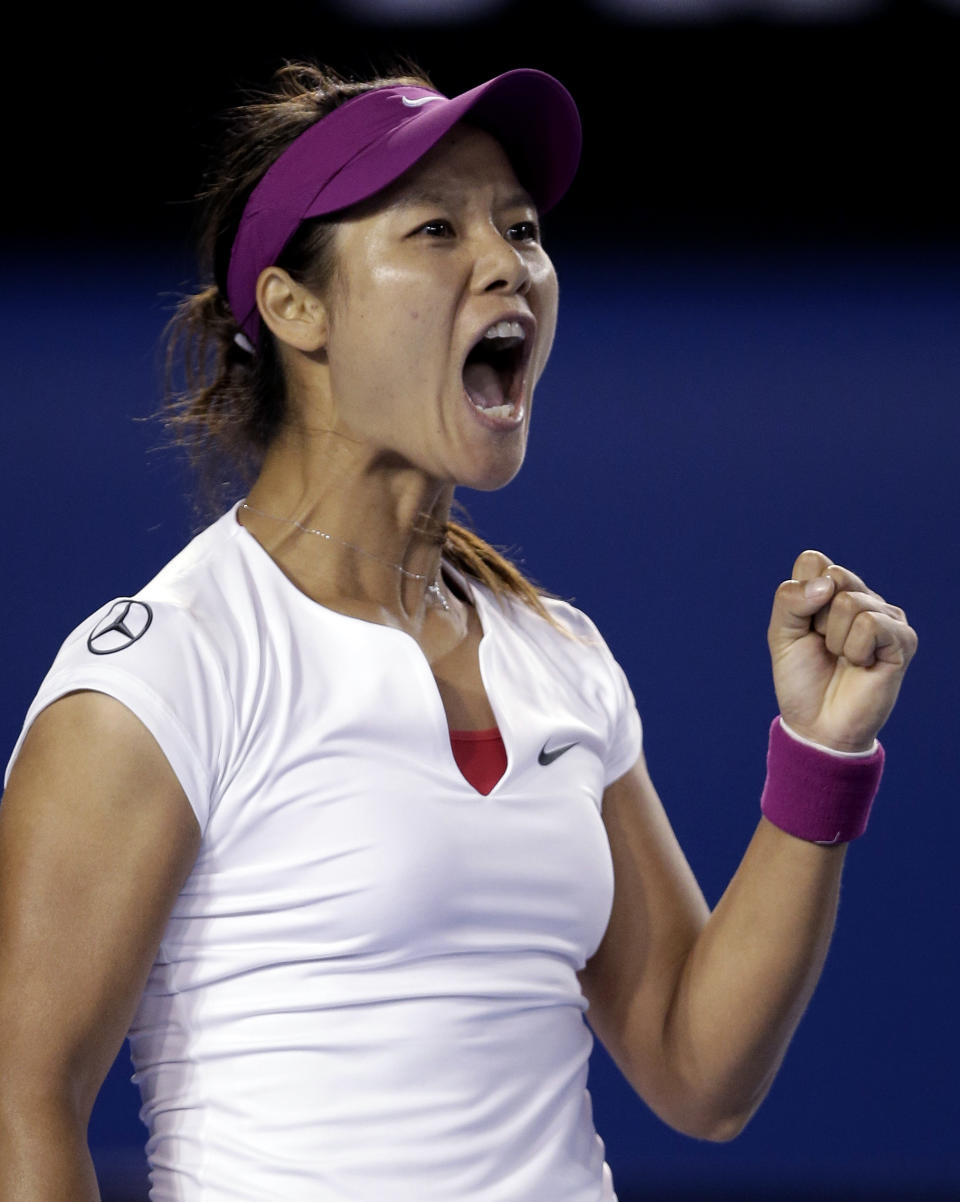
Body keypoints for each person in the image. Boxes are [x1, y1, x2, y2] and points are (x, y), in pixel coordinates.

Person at [0, 61, 917, 1202]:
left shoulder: (562, 656)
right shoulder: (161, 670)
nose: (507, 264)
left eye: (522, 228)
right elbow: (23, 1103)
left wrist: (821, 756)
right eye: (436, 228)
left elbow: (699, 1070)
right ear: (297, 308)